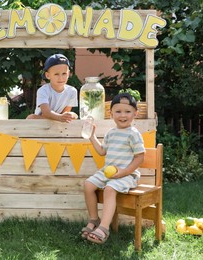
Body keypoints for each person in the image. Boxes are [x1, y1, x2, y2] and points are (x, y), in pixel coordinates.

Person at [81, 93, 145, 244]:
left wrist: (124, 172)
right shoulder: (111, 133)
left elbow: (140, 157)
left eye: (127, 112)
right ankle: (94, 219)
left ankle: (103, 228)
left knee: (109, 189)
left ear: (135, 113)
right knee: (88, 185)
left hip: (128, 175)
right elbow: (102, 151)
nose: (123, 115)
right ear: (111, 114)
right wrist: (92, 136)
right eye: (118, 111)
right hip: (108, 172)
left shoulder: (133, 134)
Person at [26, 54, 78, 122]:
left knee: (73, 115)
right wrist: (60, 118)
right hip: (42, 121)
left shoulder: (72, 91)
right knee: (31, 117)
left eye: (64, 73)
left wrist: (69, 115)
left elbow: (65, 113)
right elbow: (46, 113)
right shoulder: (43, 90)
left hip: (59, 121)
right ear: (47, 75)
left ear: (68, 74)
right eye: (56, 74)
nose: (61, 78)